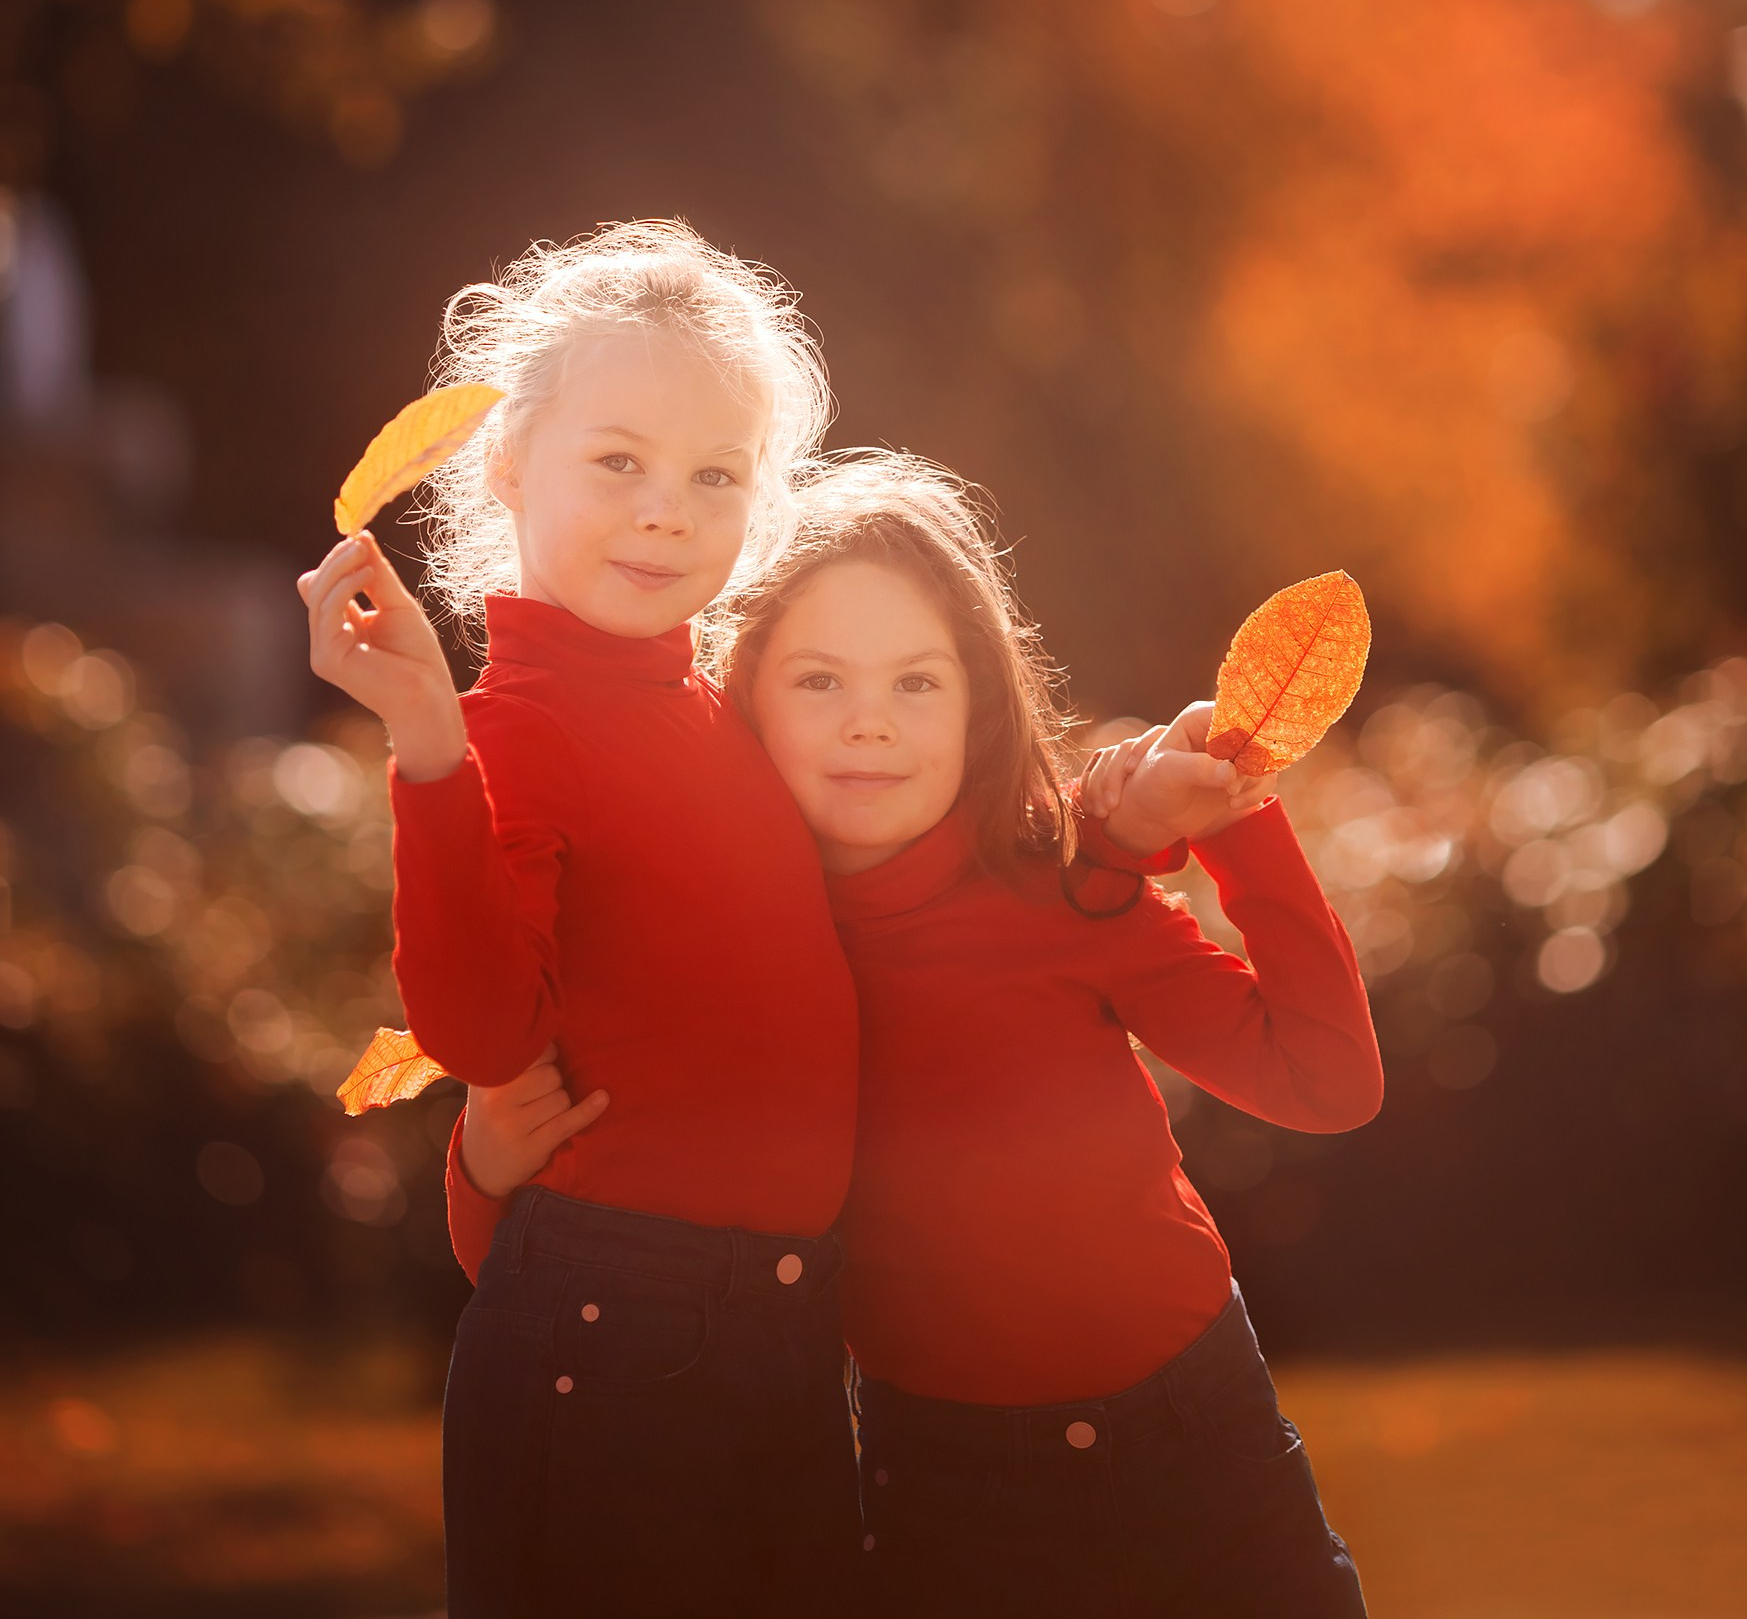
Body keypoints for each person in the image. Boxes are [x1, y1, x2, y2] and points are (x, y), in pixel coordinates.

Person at [452, 451, 1383, 1618]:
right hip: (951, 1501)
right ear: (741, 698)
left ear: (980, 705)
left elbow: (1327, 1080)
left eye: (917, 684)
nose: (870, 728)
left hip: (1203, 1442)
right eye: (819, 682)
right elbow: (528, 1261)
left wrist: (1232, 817)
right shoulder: (709, 958)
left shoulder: (1065, 890)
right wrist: (485, 1153)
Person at [296, 222, 862, 1619]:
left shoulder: (733, 718)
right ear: (505, 465)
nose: (666, 510)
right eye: (619, 462)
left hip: (790, 1335)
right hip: (615, 1356)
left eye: (714, 475)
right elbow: (484, 1031)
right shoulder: (513, 729)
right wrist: (430, 738)